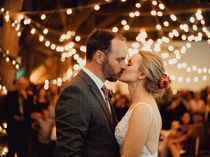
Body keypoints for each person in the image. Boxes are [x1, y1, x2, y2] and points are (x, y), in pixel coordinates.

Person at [55, 29, 128, 157]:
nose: (124, 65)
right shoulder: (76, 92)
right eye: (119, 59)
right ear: (99, 57)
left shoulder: (98, 88)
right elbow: (68, 153)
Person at [115, 51, 169, 157]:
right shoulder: (141, 104)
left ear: (142, 74)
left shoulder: (142, 109)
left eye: (129, 64)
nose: (123, 65)